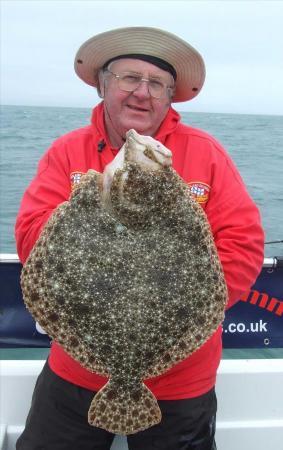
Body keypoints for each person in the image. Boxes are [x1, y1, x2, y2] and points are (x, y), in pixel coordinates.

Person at [15, 27, 264, 450]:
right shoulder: (66, 151)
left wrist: (182, 310)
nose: (142, 93)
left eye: (157, 84)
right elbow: (29, 237)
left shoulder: (206, 154)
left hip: (182, 381)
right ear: (103, 84)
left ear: (170, 96)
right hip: (75, 370)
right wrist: (89, 212)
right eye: (129, 77)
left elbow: (243, 245)